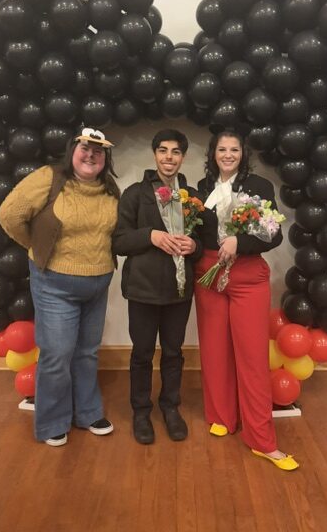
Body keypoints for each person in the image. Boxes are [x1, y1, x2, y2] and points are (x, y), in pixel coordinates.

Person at [0, 127, 120, 447]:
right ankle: (53, 421)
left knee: (87, 353)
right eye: (85, 148)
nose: (90, 155)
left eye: (98, 151)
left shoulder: (109, 188)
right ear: (72, 151)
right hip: (55, 284)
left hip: (98, 282)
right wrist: (39, 247)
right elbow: (9, 214)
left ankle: (88, 412)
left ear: (106, 158)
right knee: (56, 354)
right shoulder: (48, 178)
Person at [194, 127, 299, 471]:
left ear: (242, 154)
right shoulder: (201, 189)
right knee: (214, 350)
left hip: (247, 276)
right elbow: (198, 233)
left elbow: (273, 233)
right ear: (213, 153)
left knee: (252, 357)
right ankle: (221, 415)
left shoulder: (259, 187)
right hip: (209, 275)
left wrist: (242, 243)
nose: (227, 155)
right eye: (222, 149)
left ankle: (261, 440)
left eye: (234, 149)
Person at [112, 129, 203, 445]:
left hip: (179, 290)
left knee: (175, 353)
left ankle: (171, 407)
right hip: (143, 289)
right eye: (163, 150)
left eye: (175, 151)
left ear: (183, 157)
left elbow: (203, 244)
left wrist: (194, 246)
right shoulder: (135, 194)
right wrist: (150, 235)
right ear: (154, 154)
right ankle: (140, 411)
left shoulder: (191, 196)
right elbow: (119, 241)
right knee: (142, 353)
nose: (169, 157)